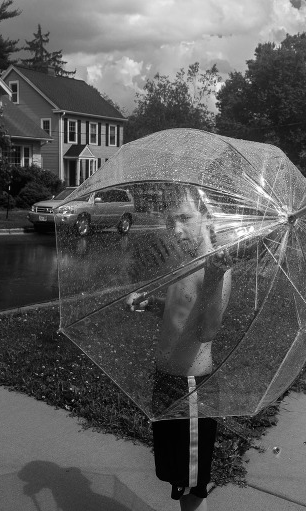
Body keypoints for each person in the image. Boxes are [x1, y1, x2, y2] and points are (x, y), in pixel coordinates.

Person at [127, 186, 232, 511]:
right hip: (167, 381)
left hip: (191, 390)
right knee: (176, 472)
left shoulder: (216, 270)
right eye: (171, 221)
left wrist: (214, 278)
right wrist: (152, 303)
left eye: (185, 218)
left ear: (206, 217)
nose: (176, 230)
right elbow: (180, 312)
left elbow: (207, 330)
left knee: (193, 481)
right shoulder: (182, 262)